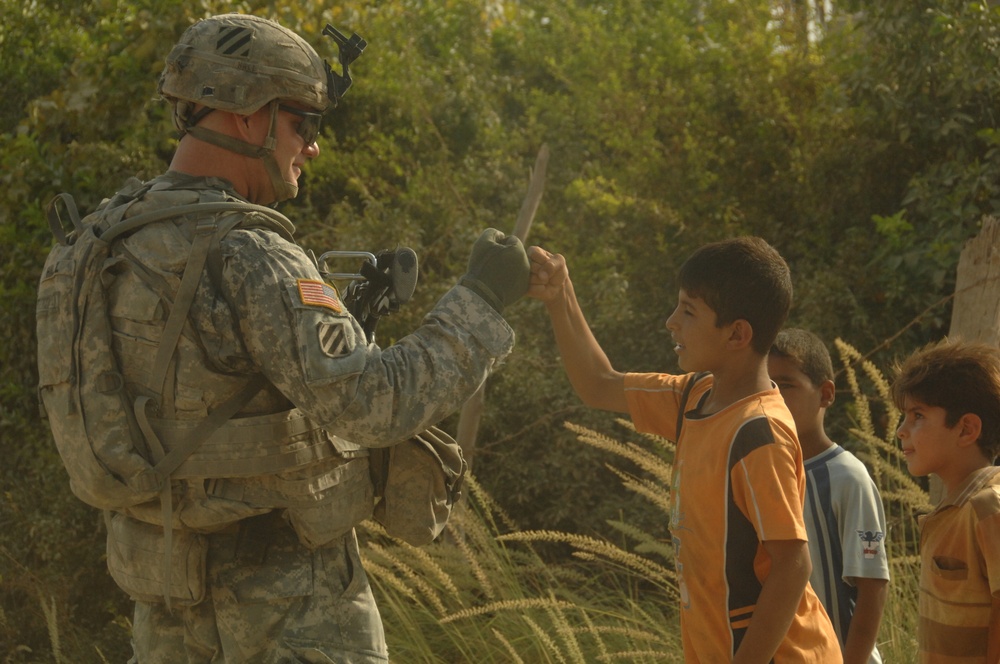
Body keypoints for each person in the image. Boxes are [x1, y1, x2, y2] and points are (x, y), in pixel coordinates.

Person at [62, 13, 528, 663]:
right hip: (289, 611)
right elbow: (374, 405)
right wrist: (480, 301)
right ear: (248, 116)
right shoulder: (251, 251)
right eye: (302, 124)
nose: (311, 147)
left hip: (165, 600)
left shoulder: (106, 241)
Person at [527, 237, 841, 662]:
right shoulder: (696, 395)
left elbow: (792, 566)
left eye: (688, 311)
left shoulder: (758, 433)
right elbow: (598, 383)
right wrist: (559, 294)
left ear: (737, 333)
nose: (671, 322)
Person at [768, 328, 890, 664]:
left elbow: (872, 588)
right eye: (767, 387)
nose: (774, 397)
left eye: (786, 385)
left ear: (826, 394)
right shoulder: (760, 473)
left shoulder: (847, 477)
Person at [892, 339, 1000, 664]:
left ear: (966, 429)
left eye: (918, 416)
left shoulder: (989, 508)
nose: (900, 431)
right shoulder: (952, 511)